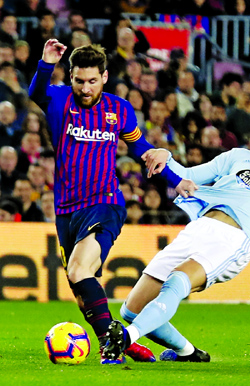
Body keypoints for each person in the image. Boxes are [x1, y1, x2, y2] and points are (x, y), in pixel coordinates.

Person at [102, 105, 250, 364]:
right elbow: (188, 176)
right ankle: (188, 353)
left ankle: (126, 338)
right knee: (130, 309)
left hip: (234, 239)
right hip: (198, 228)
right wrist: (167, 156)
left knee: (177, 281)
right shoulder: (239, 156)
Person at [28, 39, 195, 364]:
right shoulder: (60, 99)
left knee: (78, 269)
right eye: (79, 80)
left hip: (104, 203)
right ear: (71, 77)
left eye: (92, 81)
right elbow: (36, 92)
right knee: (80, 289)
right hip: (66, 210)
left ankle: (111, 346)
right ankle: (126, 343)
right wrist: (45, 63)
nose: (85, 88)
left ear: (104, 77)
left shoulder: (118, 109)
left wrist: (178, 180)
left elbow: (142, 150)